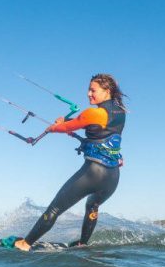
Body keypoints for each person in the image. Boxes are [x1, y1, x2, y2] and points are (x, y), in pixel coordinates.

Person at [13, 74, 127, 251]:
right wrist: (68, 122)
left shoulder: (94, 112)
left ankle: (25, 244)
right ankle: (82, 243)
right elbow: (102, 130)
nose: (89, 94)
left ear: (107, 91)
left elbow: (67, 127)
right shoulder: (121, 111)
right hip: (112, 176)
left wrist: (54, 127)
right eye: (88, 89)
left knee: (54, 209)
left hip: (93, 173)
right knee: (92, 205)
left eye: (93, 90)